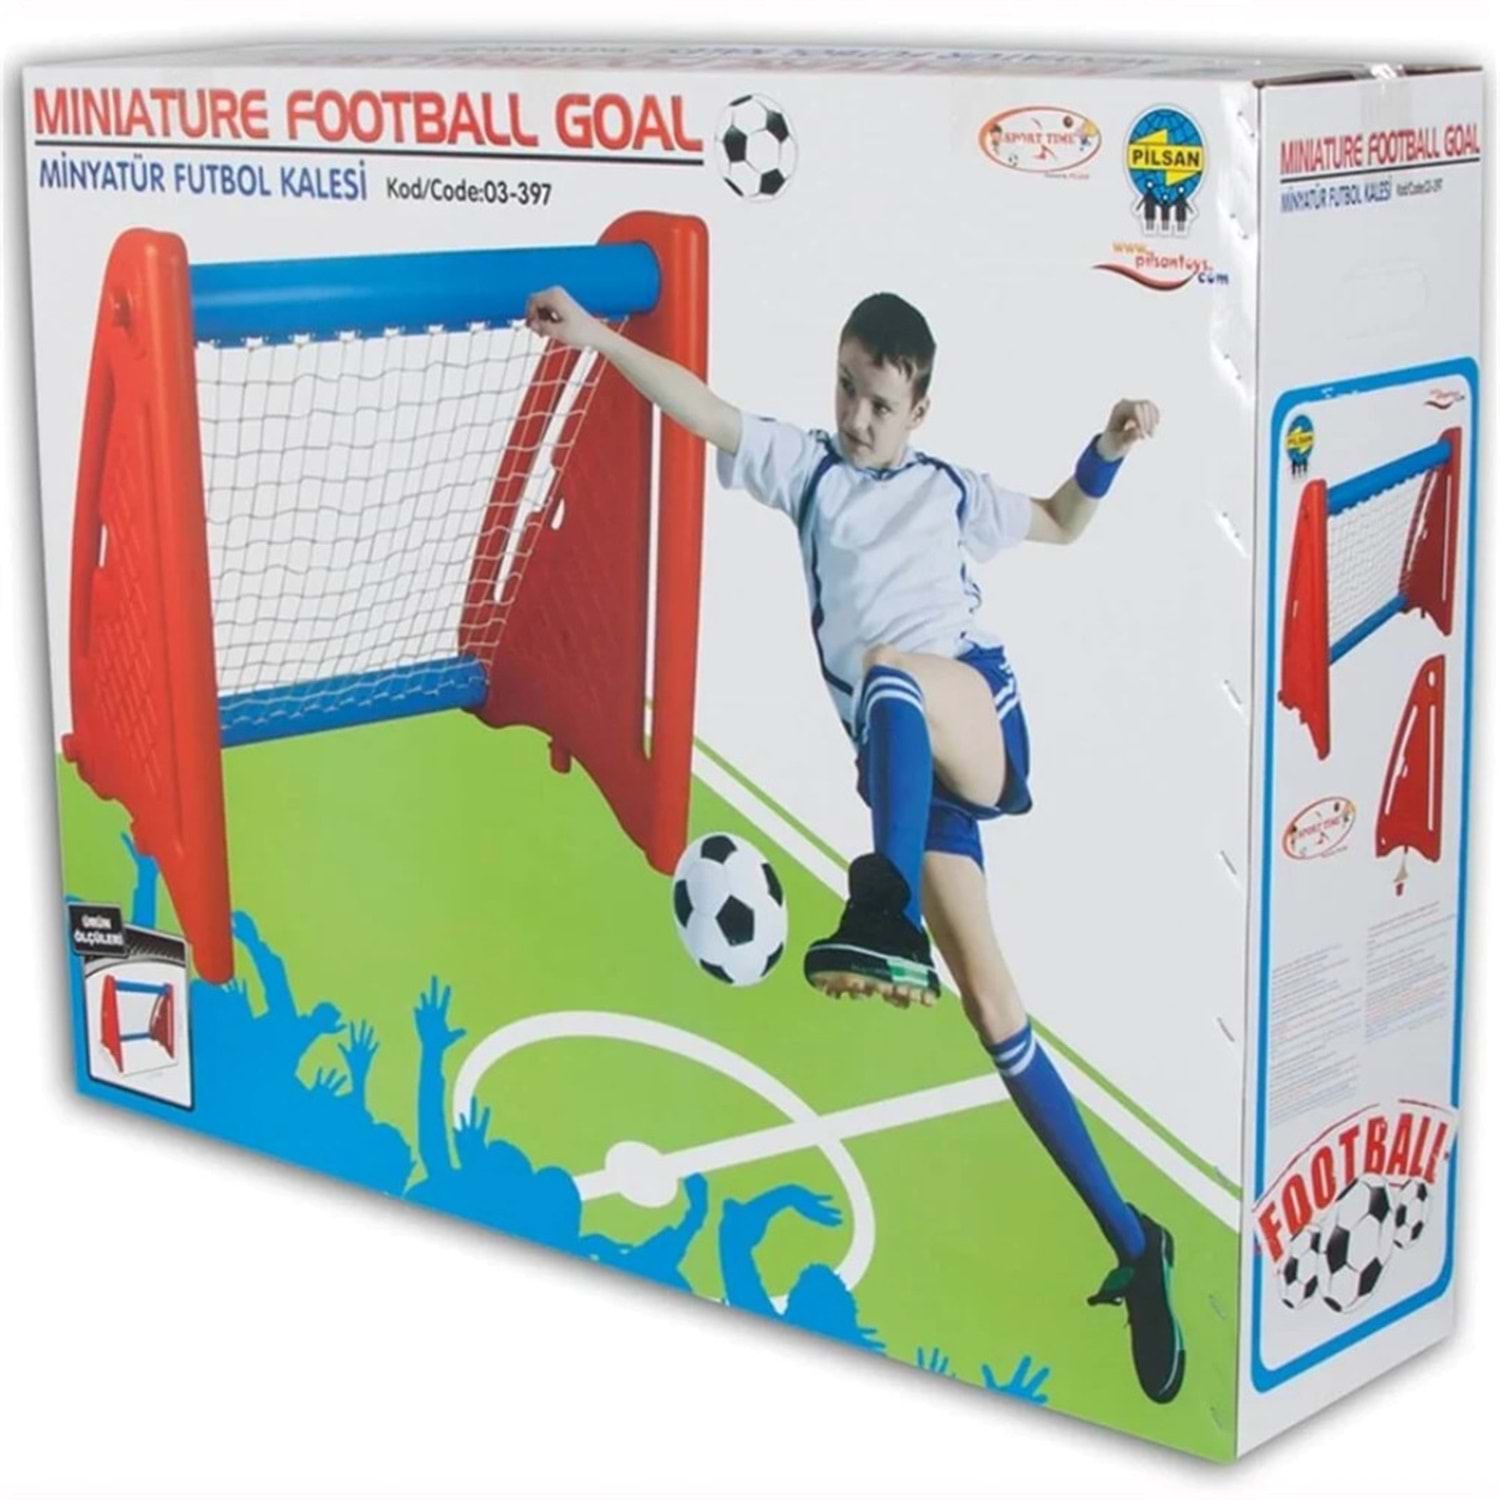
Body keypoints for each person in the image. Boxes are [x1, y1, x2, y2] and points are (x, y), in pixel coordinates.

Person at [524, 283, 1183, 1405]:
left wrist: (1107, 449)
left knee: (888, 670)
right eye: (846, 389)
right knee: (994, 1013)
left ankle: (885, 913)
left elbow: (1062, 520)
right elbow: (705, 409)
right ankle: (1134, 1243)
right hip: (904, 772)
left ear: (920, 409)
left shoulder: (949, 491)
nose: (858, 417)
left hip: (970, 713)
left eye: (881, 402)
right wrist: (593, 338)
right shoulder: (809, 472)